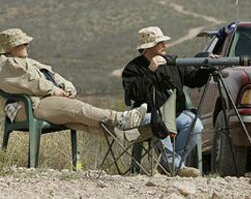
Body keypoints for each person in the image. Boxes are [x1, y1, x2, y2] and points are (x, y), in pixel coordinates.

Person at [0, 28, 147, 137]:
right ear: (11, 47)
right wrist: (55, 90)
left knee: (80, 120)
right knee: (77, 109)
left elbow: (51, 74)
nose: (27, 45)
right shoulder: (6, 64)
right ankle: (121, 118)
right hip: (26, 107)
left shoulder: (27, 61)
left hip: (43, 102)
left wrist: (66, 86)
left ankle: (120, 133)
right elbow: (30, 82)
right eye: (23, 43)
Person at [122, 26, 211, 177]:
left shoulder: (172, 63)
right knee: (157, 122)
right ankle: (177, 167)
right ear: (149, 47)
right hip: (148, 115)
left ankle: (169, 164)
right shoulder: (132, 68)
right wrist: (150, 71)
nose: (165, 45)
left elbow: (194, 80)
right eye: (160, 43)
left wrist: (206, 68)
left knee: (195, 125)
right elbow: (134, 95)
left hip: (174, 115)